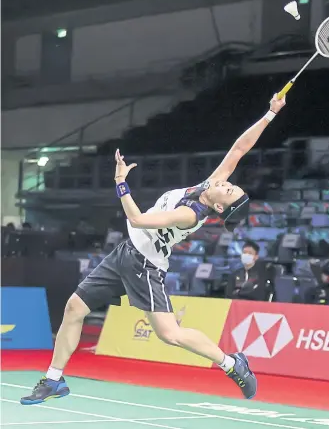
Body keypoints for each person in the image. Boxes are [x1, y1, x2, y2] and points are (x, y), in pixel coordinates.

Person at [20, 93, 286, 405]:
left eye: (228, 190)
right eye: (229, 184)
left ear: (217, 205)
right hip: (124, 253)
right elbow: (240, 148)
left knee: (169, 334)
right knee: (74, 308)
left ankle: (231, 364)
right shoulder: (209, 185)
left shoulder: (191, 214)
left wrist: (121, 182)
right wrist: (270, 114)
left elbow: (137, 217)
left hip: (145, 265)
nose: (225, 183)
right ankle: (54, 379)